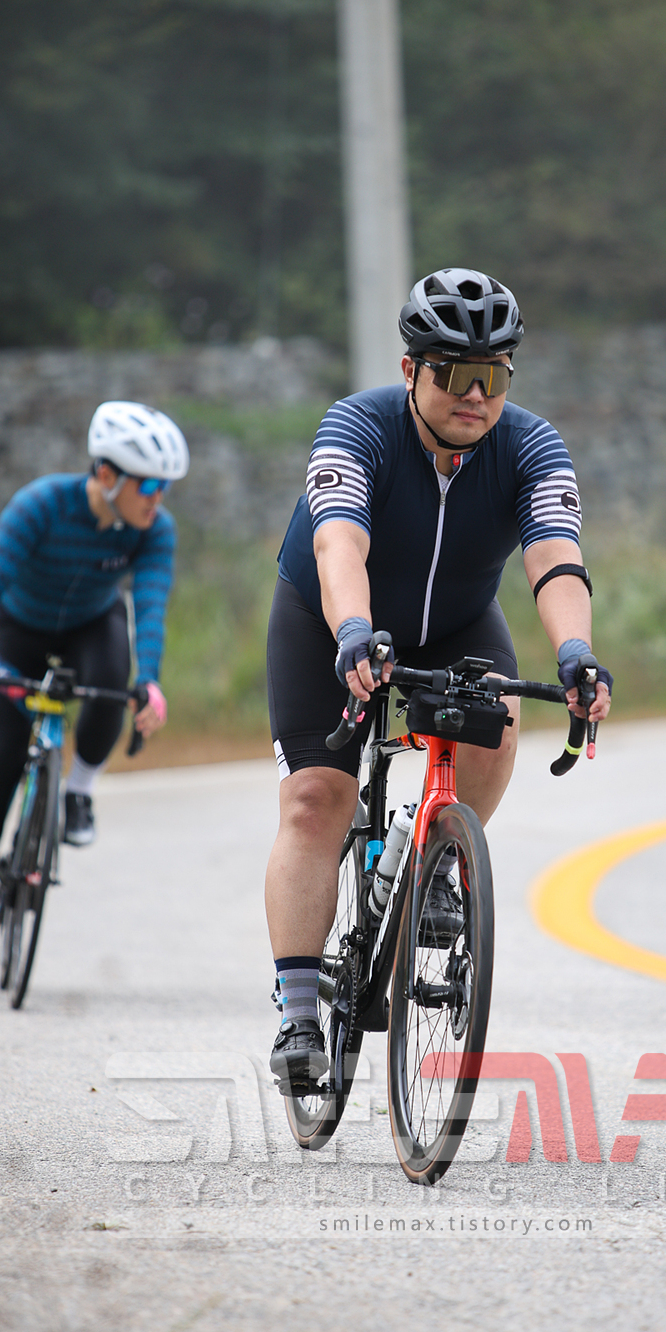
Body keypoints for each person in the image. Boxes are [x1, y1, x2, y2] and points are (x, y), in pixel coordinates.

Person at [263, 268, 613, 1090]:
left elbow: (556, 557)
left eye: (492, 375)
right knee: (316, 798)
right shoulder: (357, 427)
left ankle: (442, 863)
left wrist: (575, 651)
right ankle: (299, 1013)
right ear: (411, 371)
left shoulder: (531, 446)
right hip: (329, 618)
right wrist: (353, 631)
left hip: (456, 623)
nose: (475, 395)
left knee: (498, 724)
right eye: (455, 373)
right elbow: (338, 543)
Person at [0, 402, 189, 954]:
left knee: (112, 683)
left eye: (165, 487)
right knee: (0, 755)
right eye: (148, 484)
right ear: (106, 475)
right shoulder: (41, 504)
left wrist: (150, 681)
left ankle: (78, 793)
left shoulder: (155, 529)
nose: (157, 498)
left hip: (92, 624)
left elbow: (149, 607)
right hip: (18, 627)